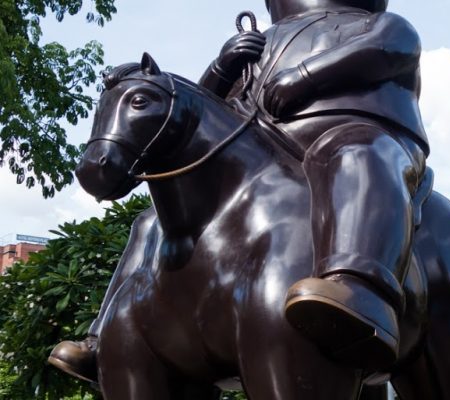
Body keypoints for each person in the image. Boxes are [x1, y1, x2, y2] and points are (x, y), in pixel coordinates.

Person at [49, 0, 428, 381]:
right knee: (149, 223)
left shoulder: (382, 24)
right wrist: (222, 67)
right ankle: (101, 337)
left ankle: (358, 288)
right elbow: (194, 109)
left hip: (358, 136)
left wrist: (307, 76)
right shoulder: (263, 42)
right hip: (269, 152)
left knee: (354, 158)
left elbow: (382, 51)